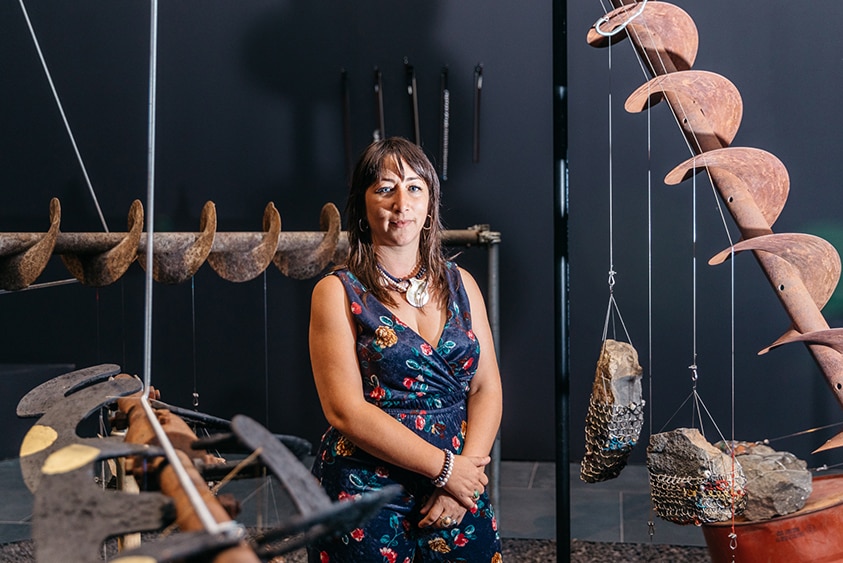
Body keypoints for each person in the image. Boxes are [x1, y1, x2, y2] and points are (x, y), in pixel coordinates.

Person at [307, 137, 503, 562]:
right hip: (367, 488)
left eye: (415, 187)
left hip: (457, 482)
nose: (402, 202)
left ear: (430, 202)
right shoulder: (336, 292)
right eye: (385, 188)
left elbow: (486, 387)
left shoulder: (462, 285)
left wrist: (464, 479)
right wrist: (446, 469)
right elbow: (344, 410)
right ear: (362, 207)